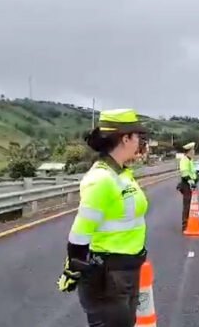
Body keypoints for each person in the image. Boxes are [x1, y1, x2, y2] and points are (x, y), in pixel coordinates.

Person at [57, 108, 150, 327]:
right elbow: (79, 236)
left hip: (126, 272)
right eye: (137, 136)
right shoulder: (101, 179)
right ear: (125, 138)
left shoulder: (123, 174)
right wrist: (74, 266)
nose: (140, 142)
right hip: (108, 278)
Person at [178, 142, 197, 232]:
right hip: (186, 184)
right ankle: (185, 226)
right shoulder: (184, 160)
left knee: (189, 204)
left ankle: (188, 223)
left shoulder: (190, 160)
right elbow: (184, 173)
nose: (194, 152)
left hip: (190, 184)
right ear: (189, 151)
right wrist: (191, 182)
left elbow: (193, 172)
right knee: (187, 205)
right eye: (193, 150)